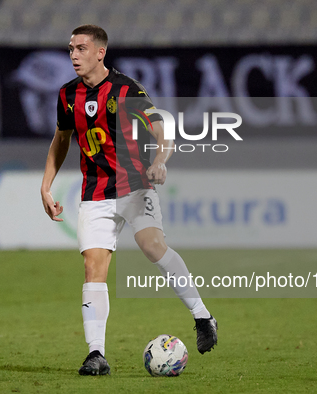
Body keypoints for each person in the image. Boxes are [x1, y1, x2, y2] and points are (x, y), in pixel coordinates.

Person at [40, 24, 217, 376]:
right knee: (93, 266)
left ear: (100, 52)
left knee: (152, 246)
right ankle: (96, 354)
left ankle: (202, 316)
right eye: (71, 49)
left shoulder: (125, 89)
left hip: (135, 185)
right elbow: (61, 140)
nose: (74, 55)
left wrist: (160, 162)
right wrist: (46, 186)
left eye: (81, 48)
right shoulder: (66, 95)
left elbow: (160, 130)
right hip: (95, 192)